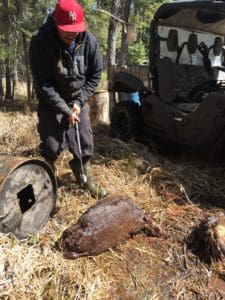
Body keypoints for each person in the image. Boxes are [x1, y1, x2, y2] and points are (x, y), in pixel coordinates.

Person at [29, 0, 106, 198]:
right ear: (55, 22)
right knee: (52, 147)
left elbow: (95, 75)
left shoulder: (89, 41)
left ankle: (85, 179)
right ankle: (46, 182)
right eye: (67, 30)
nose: (72, 34)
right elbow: (44, 84)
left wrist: (79, 103)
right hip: (51, 101)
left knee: (85, 142)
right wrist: (65, 110)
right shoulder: (40, 42)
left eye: (76, 29)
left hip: (78, 99)